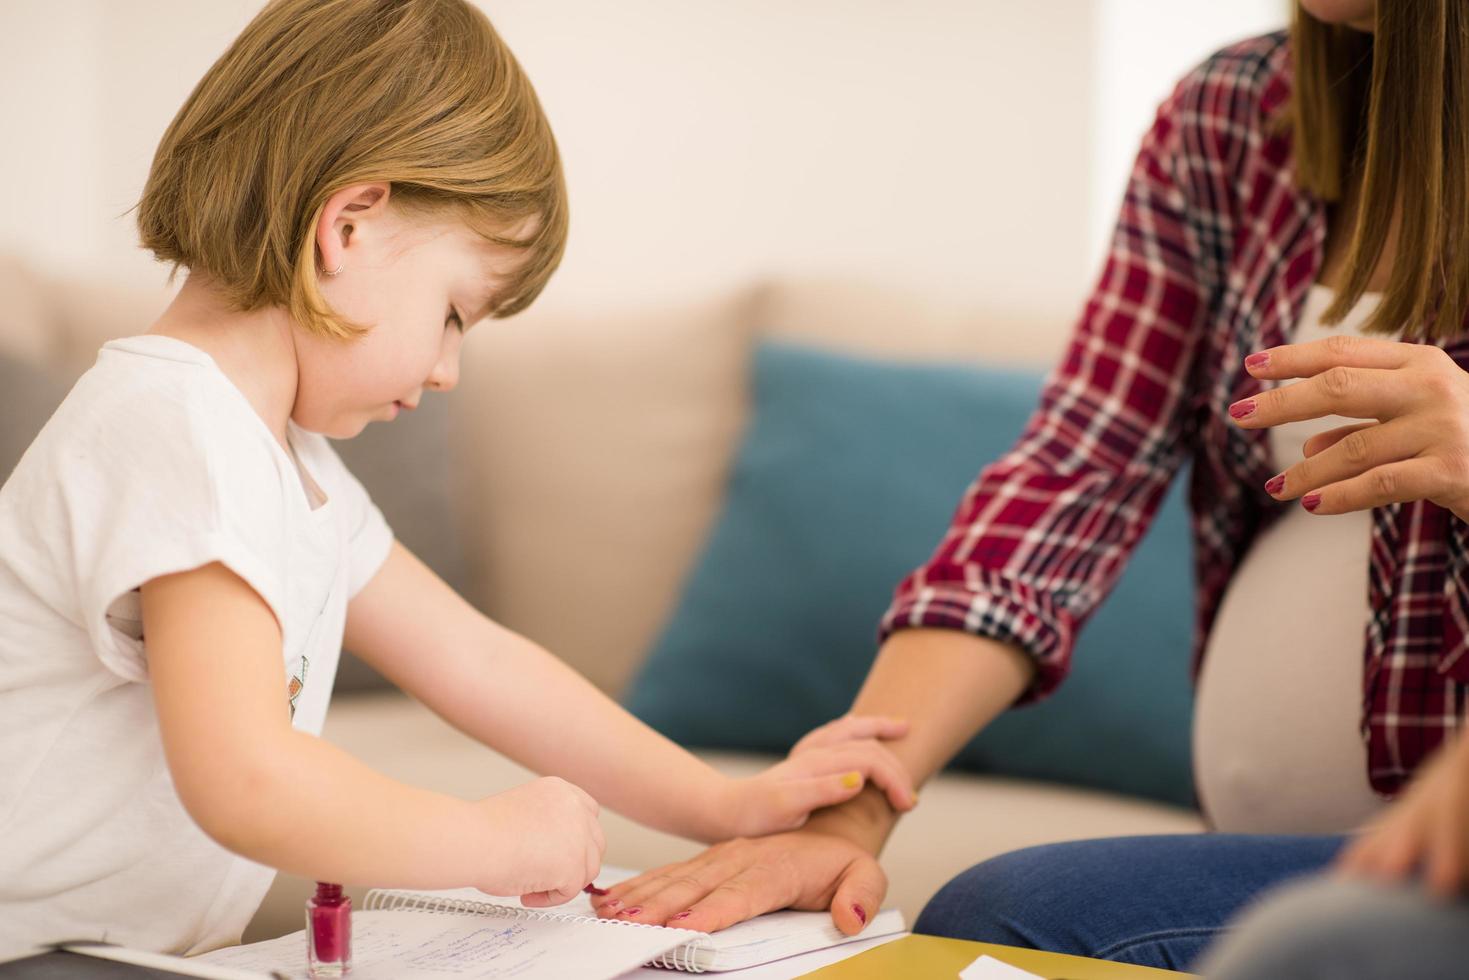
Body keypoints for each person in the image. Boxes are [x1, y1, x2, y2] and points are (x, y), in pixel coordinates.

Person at [0, 0, 917, 961]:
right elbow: (248, 783)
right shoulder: (175, 431)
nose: (448, 371)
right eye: (453, 314)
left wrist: (727, 803)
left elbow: (478, 663)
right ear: (347, 228)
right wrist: (492, 841)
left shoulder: (281, 460)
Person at [588, 0, 1469, 970]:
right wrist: (844, 817)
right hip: (1262, 841)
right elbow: (1071, 477)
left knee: (1011, 915)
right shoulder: (1232, 118)